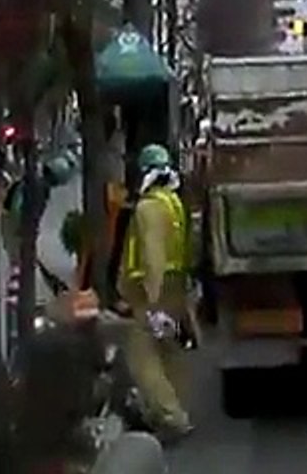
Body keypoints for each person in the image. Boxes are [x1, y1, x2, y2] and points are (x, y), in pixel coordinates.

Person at [117, 143, 194, 443]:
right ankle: (170, 410)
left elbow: (152, 254)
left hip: (150, 291)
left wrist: (151, 302)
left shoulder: (147, 208)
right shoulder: (173, 202)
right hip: (173, 286)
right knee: (169, 353)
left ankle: (172, 417)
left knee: (141, 359)